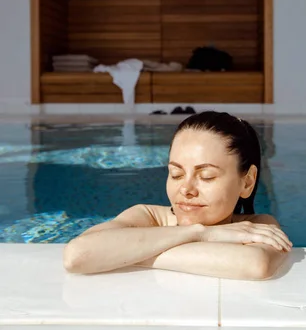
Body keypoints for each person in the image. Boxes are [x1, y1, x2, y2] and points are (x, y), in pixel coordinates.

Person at [63, 111, 293, 280]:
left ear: (247, 181)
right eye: (176, 174)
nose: (186, 189)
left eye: (207, 176)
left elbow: (254, 264)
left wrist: (123, 253)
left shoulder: (257, 226)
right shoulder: (147, 215)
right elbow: (77, 255)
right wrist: (201, 234)